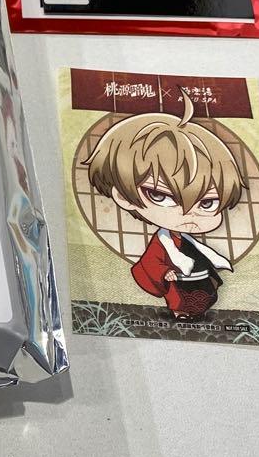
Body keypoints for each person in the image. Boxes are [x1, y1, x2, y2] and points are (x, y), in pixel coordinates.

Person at [84, 93, 243, 320]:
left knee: (206, 292)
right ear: (123, 196)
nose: (188, 213)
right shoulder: (163, 241)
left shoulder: (185, 239)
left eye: (207, 202)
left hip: (195, 279)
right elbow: (151, 262)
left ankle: (195, 310)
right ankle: (180, 311)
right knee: (180, 297)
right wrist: (166, 272)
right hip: (177, 281)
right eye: (160, 196)